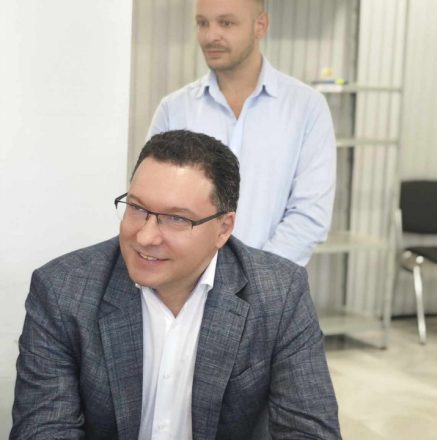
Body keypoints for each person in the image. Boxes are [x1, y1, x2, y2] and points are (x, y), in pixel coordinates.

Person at [11, 130, 340, 439]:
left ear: (224, 228)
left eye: (177, 218)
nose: (146, 237)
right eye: (137, 208)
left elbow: (310, 431)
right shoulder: (63, 290)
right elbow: (44, 429)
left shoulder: (279, 293)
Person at [147, 0, 336, 266]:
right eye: (203, 23)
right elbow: (153, 203)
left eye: (226, 23)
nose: (211, 35)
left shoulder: (306, 108)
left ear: (260, 25)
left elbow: (309, 216)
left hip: (268, 282)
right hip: (184, 281)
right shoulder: (174, 109)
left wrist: (255, 278)